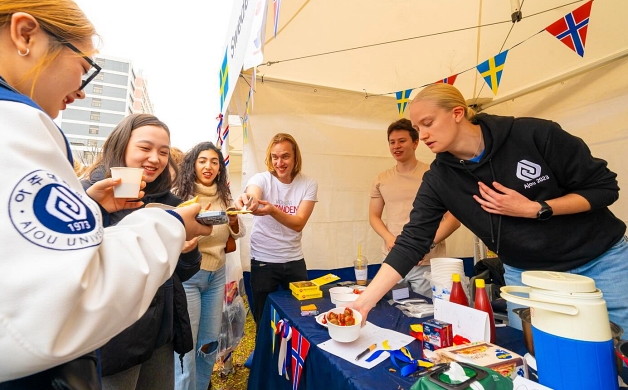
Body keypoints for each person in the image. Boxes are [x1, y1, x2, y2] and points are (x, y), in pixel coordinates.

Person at [0, 2, 211, 387]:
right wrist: (168, 225)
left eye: (164, 152)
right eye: (84, 68)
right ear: (25, 34)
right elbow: (55, 305)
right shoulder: (1, 119)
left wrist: (88, 208)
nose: (81, 93)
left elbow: (13, 253)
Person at [353, 83, 627, 334]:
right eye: (418, 128)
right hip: (527, 275)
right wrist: (364, 302)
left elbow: (604, 188)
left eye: (428, 123)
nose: (422, 135)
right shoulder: (440, 179)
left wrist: (537, 208)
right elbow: (412, 241)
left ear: (457, 113)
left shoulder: (533, 134)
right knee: (537, 360)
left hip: (600, 262)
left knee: (619, 349)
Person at [81, 114, 203, 390]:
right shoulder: (89, 195)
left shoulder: (170, 203)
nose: (155, 158)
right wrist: (94, 210)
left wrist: (188, 251)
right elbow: (78, 265)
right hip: (114, 338)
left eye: (162, 152)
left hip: (160, 333)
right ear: (121, 145)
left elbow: (181, 273)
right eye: (145, 148)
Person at [172, 142, 246, 390]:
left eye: (214, 162)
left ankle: (202, 386)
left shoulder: (225, 196)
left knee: (209, 342)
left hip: (216, 275)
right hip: (188, 276)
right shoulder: (180, 195)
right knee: (187, 345)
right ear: (193, 164)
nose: (208, 166)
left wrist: (234, 221)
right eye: (203, 160)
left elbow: (237, 233)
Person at [235, 133, 318, 330]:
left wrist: (272, 209)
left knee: (302, 315)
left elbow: (298, 223)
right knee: (264, 320)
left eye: (285, 156)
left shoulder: (308, 184)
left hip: (294, 260)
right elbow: (253, 193)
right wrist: (249, 200)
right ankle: (265, 359)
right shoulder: (261, 178)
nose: (279, 162)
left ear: (295, 157)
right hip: (264, 260)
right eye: (275, 157)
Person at [370, 118, 461, 297]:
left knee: (430, 315)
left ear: (416, 142)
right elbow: (374, 216)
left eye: (402, 141)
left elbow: (454, 219)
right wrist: (389, 238)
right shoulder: (381, 179)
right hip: (393, 259)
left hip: (428, 263)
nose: (396, 146)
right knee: (394, 311)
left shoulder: (434, 176)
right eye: (392, 142)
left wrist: (426, 244)